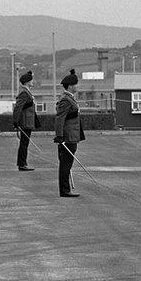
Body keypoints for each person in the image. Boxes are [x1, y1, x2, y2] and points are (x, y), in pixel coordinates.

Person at [54, 69, 85, 197]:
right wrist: (60, 136)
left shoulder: (69, 98)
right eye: (76, 84)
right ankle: (65, 190)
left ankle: (66, 189)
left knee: (67, 163)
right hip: (68, 136)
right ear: (71, 86)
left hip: (72, 135)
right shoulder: (66, 100)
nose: (78, 86)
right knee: (66, 164)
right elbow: (60, 118)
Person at [13, 69, 39, 171]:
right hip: (25, 121)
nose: (33, 82)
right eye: (31, 80)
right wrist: (16, 122)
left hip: (28, 121)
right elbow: (18, 108)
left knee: (24, 143)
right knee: (24, 144)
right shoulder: (24, 92)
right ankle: (22, 164)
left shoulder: (27, 91)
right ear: (28, 82)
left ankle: (22, 163)